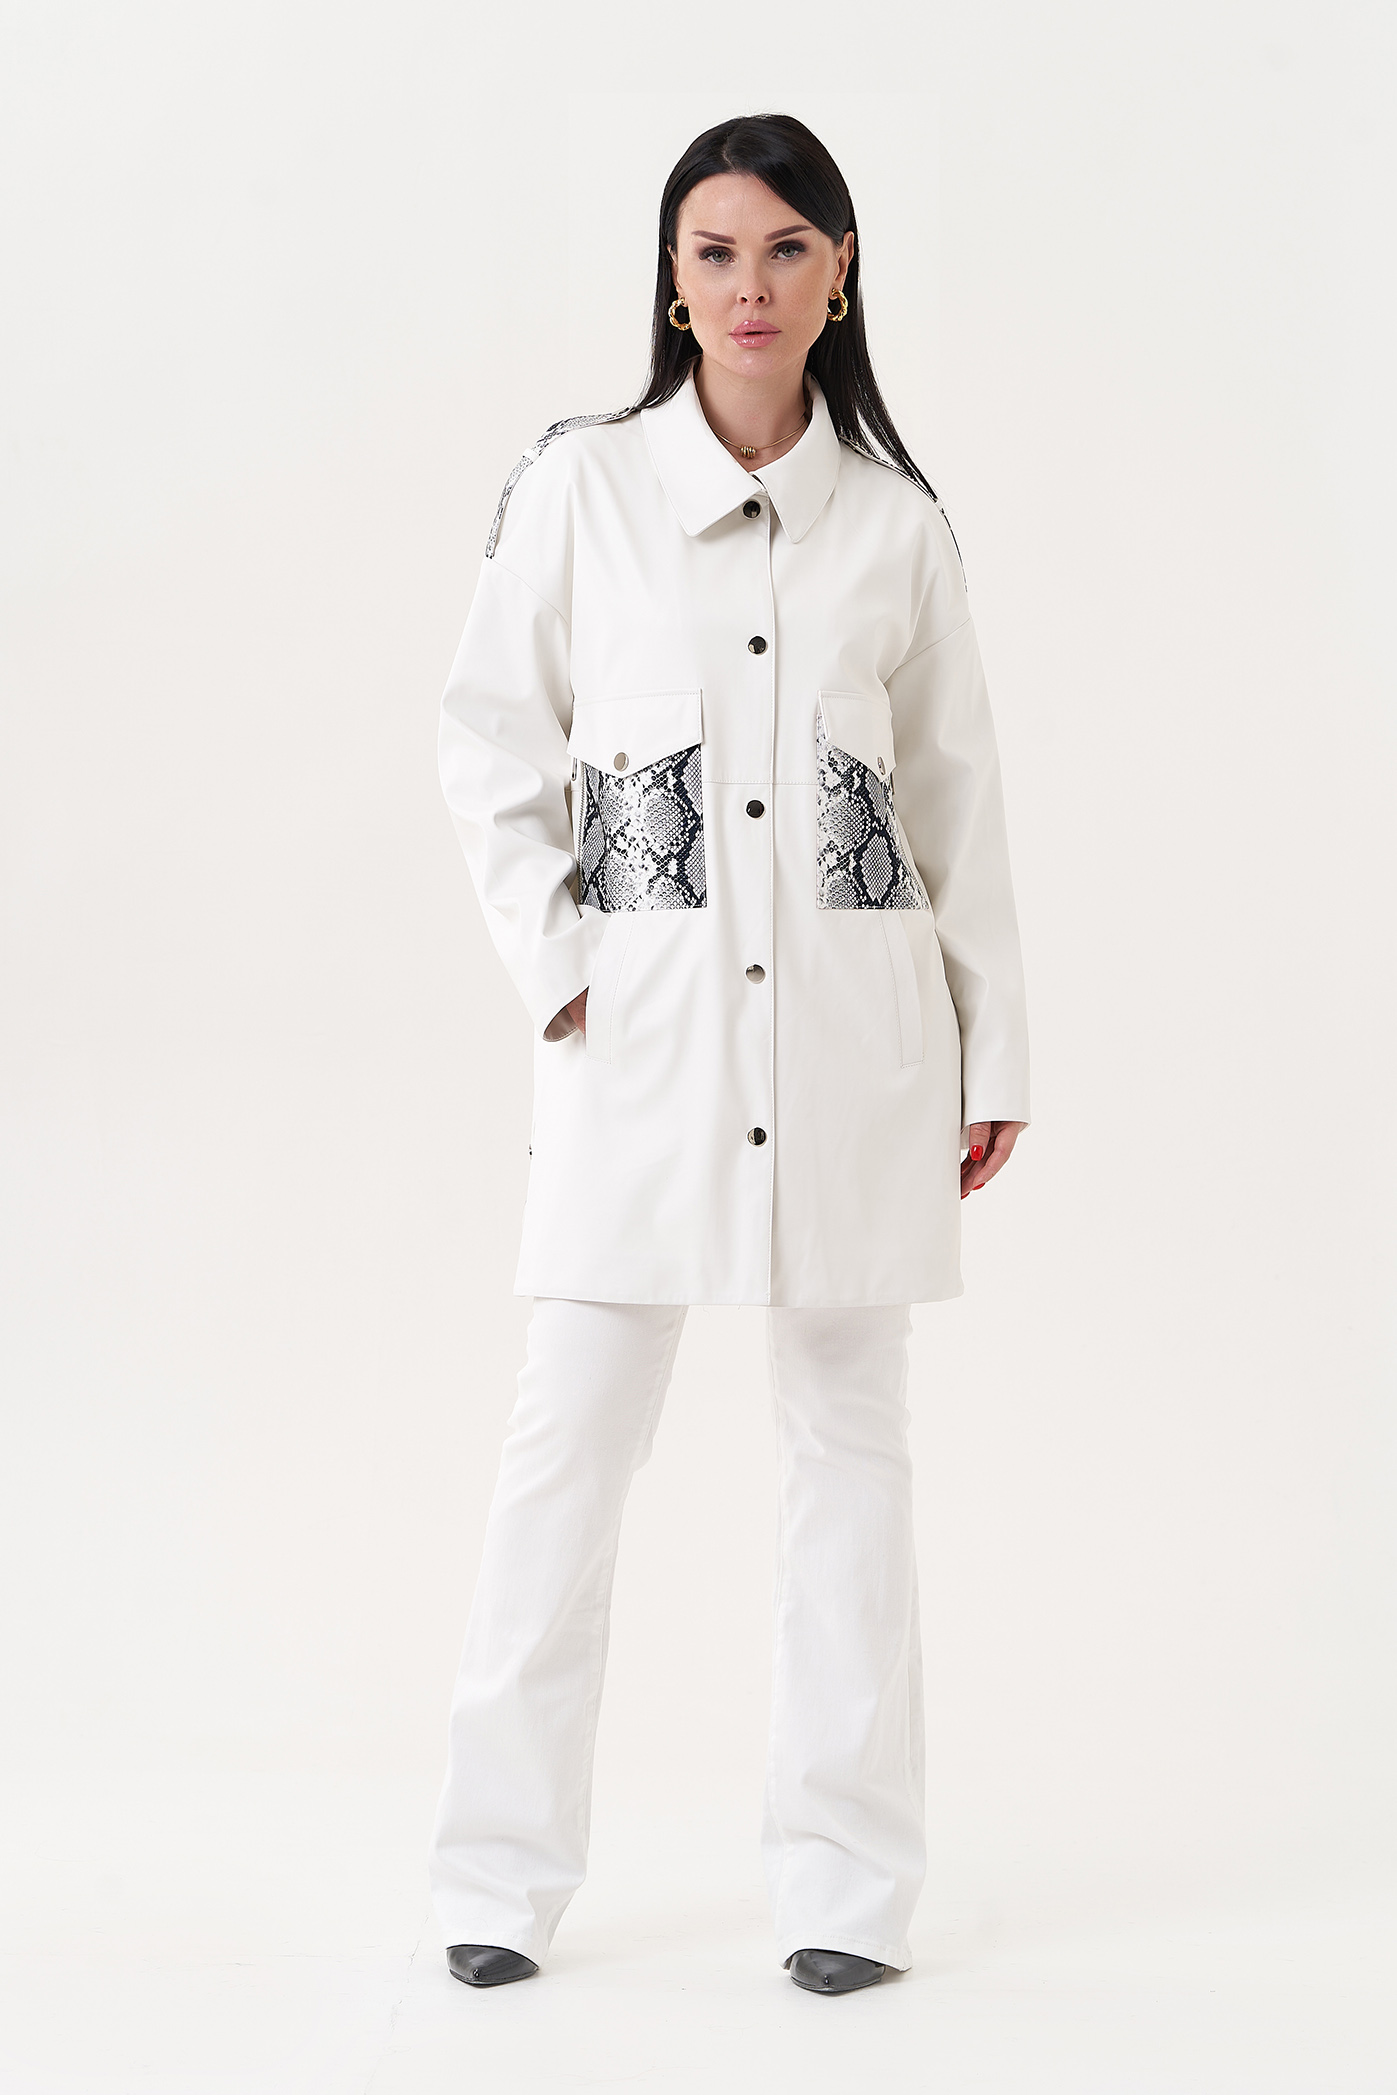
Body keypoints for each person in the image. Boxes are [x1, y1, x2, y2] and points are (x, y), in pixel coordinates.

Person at [431, 112, 1029, 1997]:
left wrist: (989, 1049)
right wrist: (559, 971)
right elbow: (485, 742)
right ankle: (492, 1876)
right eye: (713, 252)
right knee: (566, 1446)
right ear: (671, 284)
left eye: (784, 248)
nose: (748, 285)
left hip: (855, 1054)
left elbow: (954, 803)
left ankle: (845, 1890)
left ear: (839, 273)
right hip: (637, 1048)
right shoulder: (582, 490)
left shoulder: (896, 527)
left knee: (849, 1455)